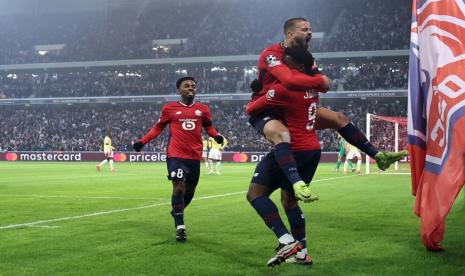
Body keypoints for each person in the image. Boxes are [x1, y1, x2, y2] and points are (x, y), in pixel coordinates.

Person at [247, 18, 407, 200]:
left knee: (339, 118)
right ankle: (295, 182)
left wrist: (320, 82)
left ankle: (378, 156)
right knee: (281, 134)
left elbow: (326, 86)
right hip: (268, 108)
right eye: (304, 29)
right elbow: (294, 81)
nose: (309, 32)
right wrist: (319, 80)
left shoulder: (305, 56)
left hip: (292, 106)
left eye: (310, 29)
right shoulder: (271, 54)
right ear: (290, 34)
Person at [247, 46, 324, 267]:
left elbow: (252, 109)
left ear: (297, 65)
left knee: (255, 194)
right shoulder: (314, 85)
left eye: (286, 60)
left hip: (292, 148)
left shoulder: (284, 88)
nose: (281, 64)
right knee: (289, 201)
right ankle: (302, 253)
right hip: (313, 149)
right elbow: (324, 82)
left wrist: (258, 93)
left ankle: (286, 239)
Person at [132, 77, 224, 242]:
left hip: (195, 156)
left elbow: (208, 126)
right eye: (186, 86)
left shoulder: (203, 109)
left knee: (189, 192)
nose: (191, 88)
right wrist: (142, 141)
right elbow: (158, 127)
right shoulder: (169, 108)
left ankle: (177, 211)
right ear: (179, 90)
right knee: (179, 187)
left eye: (193, 86)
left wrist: (216, 135)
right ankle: (180, 227)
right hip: (176, 155)